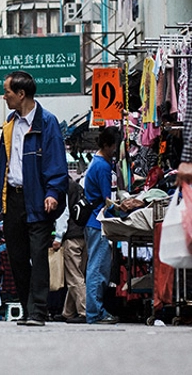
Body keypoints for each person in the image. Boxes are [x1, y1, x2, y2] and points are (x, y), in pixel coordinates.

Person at [0, 70, 68, 327]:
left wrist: (53, 193)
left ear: (21, 94)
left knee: (38, 254)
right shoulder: (10, 125)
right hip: (12, 199)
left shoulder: (48, 123)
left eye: (7, 92)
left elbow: (56, 160)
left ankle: (38, 312)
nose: (4, 97)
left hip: (39, 199)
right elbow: (3, 163)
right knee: (17, 257)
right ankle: (27, 307)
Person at [84, 126, 120, 325]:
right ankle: (95, 312)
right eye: (114, 145)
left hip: (92, 221)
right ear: (107, 145)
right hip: (99, 222)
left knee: (96, 267)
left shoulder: (96, 163)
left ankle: (95, 310)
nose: (116, 149)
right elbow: (108, 200)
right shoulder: (103, 167)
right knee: (98, 268)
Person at [57, 177, 87, 323]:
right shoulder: (77, 186)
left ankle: (85, 310)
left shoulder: (63, 187)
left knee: (74, 276)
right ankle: (68, 312)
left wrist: (58, 237)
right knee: (77, 275)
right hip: (83, 234)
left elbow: (64, 213)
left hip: (71, 236)